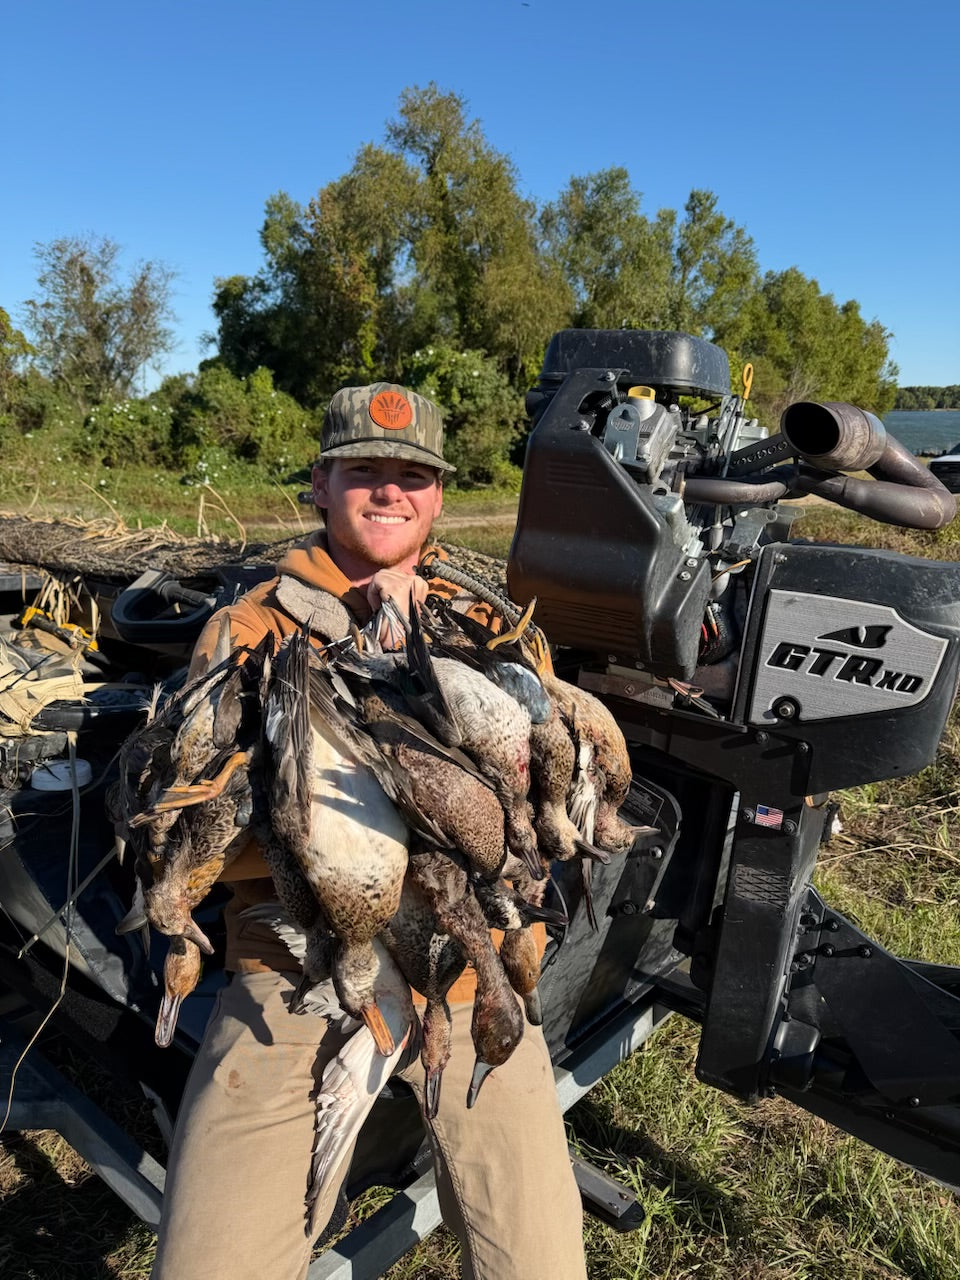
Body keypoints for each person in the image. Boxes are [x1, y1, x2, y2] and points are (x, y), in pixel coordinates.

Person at [152, 382, 587, 1280]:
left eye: (411, 476)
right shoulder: (246, 626)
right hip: (297, 973)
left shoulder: (489, 622)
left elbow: (544, 797)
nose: (389, 492)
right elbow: (199, 822)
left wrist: (425, 638)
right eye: (364, 472)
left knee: (540, 1263)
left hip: (472, 981)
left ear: (437, 496)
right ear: (320, 484)